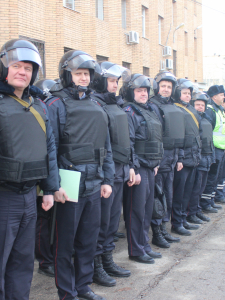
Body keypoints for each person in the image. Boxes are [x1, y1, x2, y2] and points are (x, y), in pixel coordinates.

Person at [0, 39, 61, 300]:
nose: (23, 72)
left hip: (29, 198)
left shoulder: (38, 104)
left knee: (23, 264)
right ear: (3, 68)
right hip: (1, 199)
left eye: (29, 68)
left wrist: (49, 188)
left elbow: (49, 148)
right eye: (17, 66)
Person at [46, 50, 114, 300]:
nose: (83, 78)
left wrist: (107, 179)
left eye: (87, 74)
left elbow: (105, 146)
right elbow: (49, 149)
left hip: (95, 182)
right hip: (69, 182)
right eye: (78, 73)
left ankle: (83, 286)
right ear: (67, 75)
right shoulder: (55, 104)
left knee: (88, 239)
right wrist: (53, 186)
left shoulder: (97, 104)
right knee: (65, 242)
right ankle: (66, 291)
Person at [90, 61, 132, 287]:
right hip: (106, 171)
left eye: (117, 81)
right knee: (101, 221)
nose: (115, 85)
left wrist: (130, 165)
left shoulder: (115, 104)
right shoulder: (95, 104)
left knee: (112, 222)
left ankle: (107, 259)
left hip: (120, 169)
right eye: (111, 81)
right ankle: (96, 265)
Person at [122, 74, 163, 264]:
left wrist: (156, 163)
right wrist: (133, 168)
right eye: (139, 91)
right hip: (138, 168)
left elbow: (156, 138)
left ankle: (144, 245)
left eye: (145, 91)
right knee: (136, 211)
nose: (143, 94)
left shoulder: (149, 110)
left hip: (150, 167)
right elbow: (129, 142)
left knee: (147, 210)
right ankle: (136, 250)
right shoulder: (130, 111)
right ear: (132, 92)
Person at [31, 78, 64, 279]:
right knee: (43, 221)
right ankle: (44, 260)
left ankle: (49, 256)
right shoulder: (41, 107)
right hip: (37, 174)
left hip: (50, 171)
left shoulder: (43, 107)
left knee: (51, 219)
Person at [148, 71, 184, 247]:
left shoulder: (174, 106)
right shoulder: (152, 106)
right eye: (163, 86)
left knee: (168, 197)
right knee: (158, 198)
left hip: (171, 159)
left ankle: (164, 229)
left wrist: (178, 158)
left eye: (169, 87)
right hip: (160, 160)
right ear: (157, 87)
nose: (166, 89)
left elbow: (177, 135)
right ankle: (156, 232)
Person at [170, 79, 202, 235]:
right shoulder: (176, 109)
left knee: (187, 191)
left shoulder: (191, 109)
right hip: (183, 157)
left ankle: (183, 219)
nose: (188, 96)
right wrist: (180, 158)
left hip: (193, 156)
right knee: (179, 192)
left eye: (189, 94)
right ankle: (177, 222)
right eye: (184, 93)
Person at [201, 85, 225, 212]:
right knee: (211, 177)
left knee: (215, 176)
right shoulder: (211, 110)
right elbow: (208, 131)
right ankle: (206, 203)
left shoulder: (219, 110)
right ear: (214, 96)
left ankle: (211, 200)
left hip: (220, 148)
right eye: (221, 95)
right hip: (213, 149)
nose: (224, 97)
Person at [188, 92, 215, 220]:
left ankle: (197, 209)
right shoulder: (192, 119)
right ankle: (191, 213)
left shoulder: (206, 119)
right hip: (199, 157)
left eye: (202, 105)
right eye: (197, 104)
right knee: (195, 188)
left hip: (207, 156)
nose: (200, 107)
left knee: (201, 188)